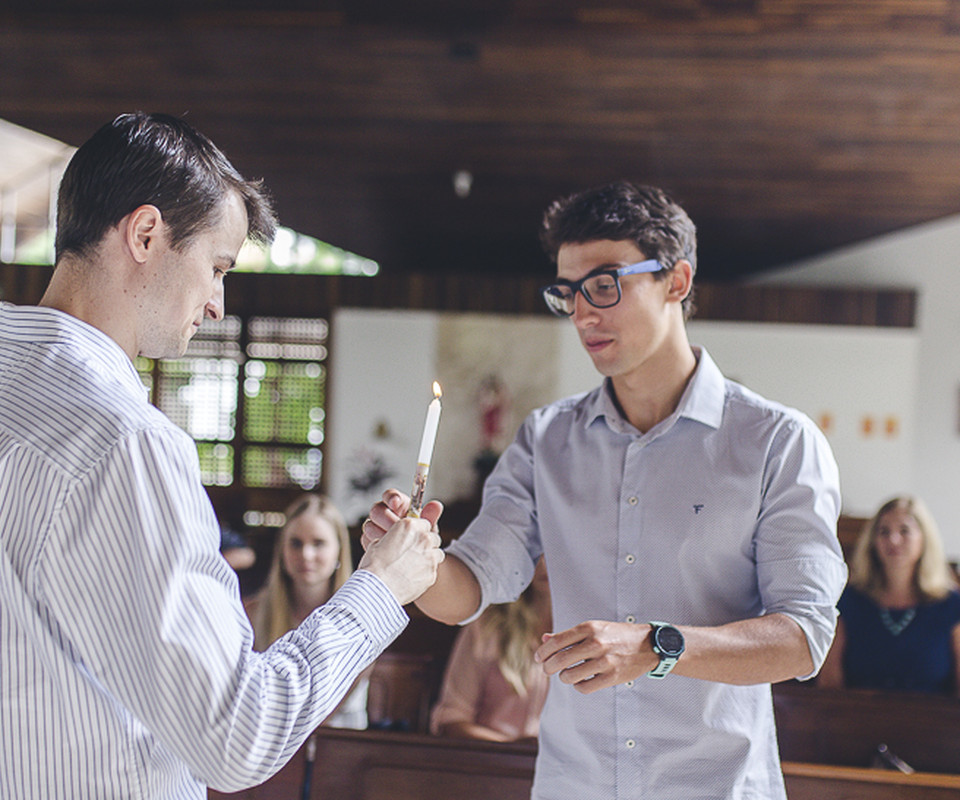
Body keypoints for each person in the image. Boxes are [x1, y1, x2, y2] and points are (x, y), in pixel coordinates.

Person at [0, 112, 444, 800]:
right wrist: (380, 587)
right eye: (216, 267)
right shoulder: (121, 439)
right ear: (144, 234)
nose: (217, 303)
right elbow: (238, 736)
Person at [363, 181, 847, 799]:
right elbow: (470, 588)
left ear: (676, 280)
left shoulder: (776, 441)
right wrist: (415, 560)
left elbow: (803, 638)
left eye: (604, 284)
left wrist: (657, 646)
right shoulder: (546, 439)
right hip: (575, 785)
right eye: (567, 293)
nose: (583, 313)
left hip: (716, 788)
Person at [246, 494, 369, 729]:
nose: (306, 555)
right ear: (281, 550)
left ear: (339, 551)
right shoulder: (252, 613)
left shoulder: (358, 620)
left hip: (337, 747)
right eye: (295, 543)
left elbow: (324, 712)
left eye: (318, 543)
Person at [818, 496, 960, 694]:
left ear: (924, 539)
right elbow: (830, 681)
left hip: (931, 722)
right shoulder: (849, 600)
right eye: (884, 531)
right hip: (859, 719)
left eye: (904, 531)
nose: (893, 540)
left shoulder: (951, 604)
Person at [430, 557, 550, 742]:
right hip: (492, 761)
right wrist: (514, 749)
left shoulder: (592, 635)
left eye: (553, 551)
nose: (543, 563)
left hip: (562, 767)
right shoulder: (488, 625)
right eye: (538, 552)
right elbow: (452, 719)